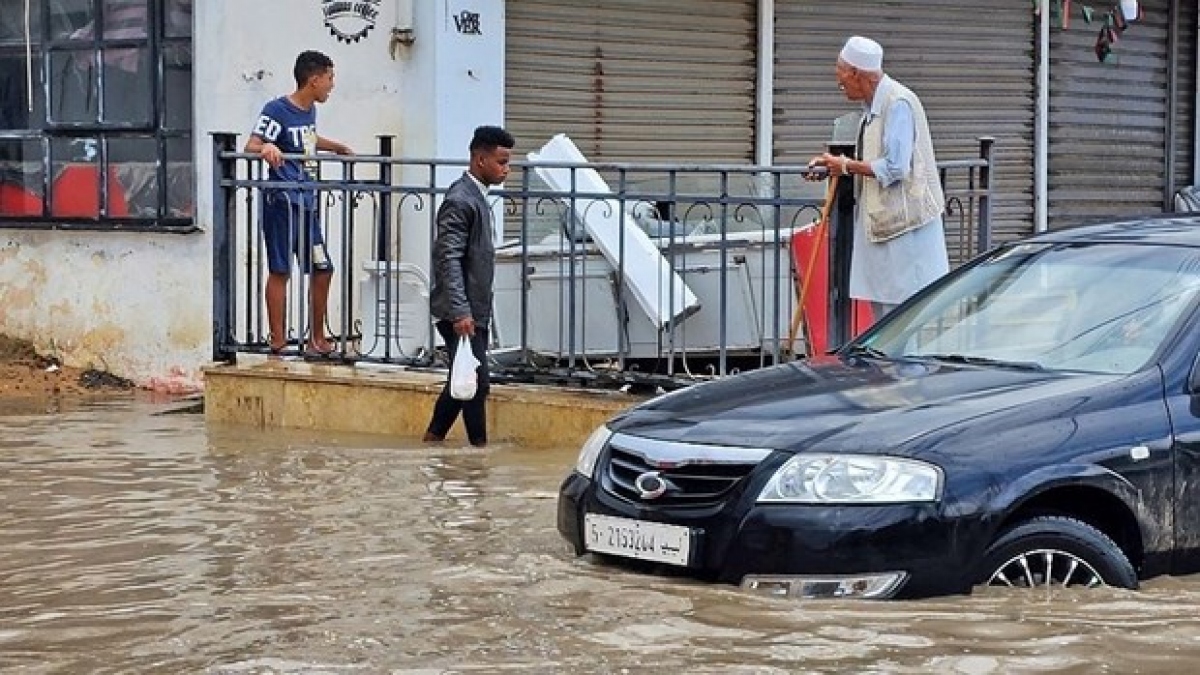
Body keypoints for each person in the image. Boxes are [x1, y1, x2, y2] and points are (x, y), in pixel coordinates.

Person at [807, 36, 949, 319]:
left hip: (906, 230)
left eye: (842, 78)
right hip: (885, 226)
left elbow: (896, 167)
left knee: (903, 319)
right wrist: (832, 165)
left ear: (858, 74)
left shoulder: (897, 103)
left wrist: (846, 166)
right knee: (884, 318)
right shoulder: (871, 110)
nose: (841, 85)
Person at [244, 50, 353, 355]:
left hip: (307, 202)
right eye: (329, 78)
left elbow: (307, 139)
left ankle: (315, 338)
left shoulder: (309, 112)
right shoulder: (277, 109)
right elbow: (251, 144)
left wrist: (335, 147)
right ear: (314, 79)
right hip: (282, 201)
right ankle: (278, 339)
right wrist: (266, 147)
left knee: (323, 267)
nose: (332, 85)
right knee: (281, 270)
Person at [423, 125, 515, 448]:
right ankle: (479, 453)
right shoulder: (461, 201)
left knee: (465, 380)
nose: (507, 169)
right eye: (501, 162)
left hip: (472, 309)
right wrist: (461, 311)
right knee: (474, 382)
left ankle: (433, 440)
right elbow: (447, 258)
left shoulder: (476, 197)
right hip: (460, 312)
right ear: (480, 160)